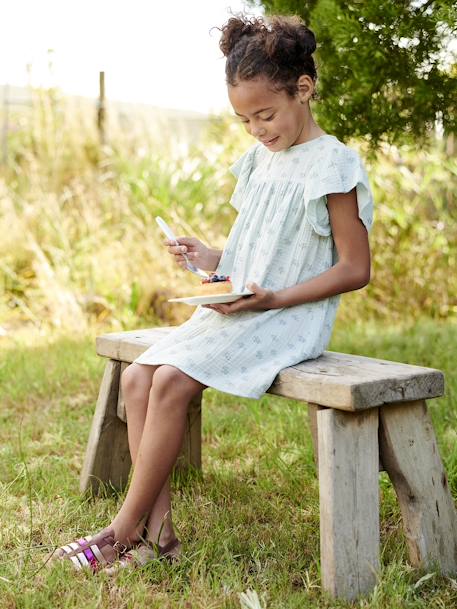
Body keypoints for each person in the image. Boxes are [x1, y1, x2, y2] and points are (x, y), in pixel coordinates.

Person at [51, 14, 373, 573]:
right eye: (244, 119)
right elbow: (259, 251)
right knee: (136, 375)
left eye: (266, 114)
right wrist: (210, 258)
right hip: (246, 310)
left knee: (171, 381)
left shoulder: (334, 165)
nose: (257, 129)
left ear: (304, 88)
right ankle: (161, 539)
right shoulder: (257, 161)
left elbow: (355, 268)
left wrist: (272, 299)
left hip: (289, 317)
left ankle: (121, 529)